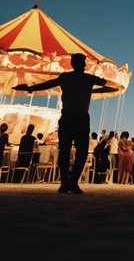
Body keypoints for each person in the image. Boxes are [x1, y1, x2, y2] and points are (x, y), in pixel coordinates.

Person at [13, 52, 117, 194]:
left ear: (73, 64)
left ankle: (65, 183)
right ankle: (73, 182)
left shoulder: (65, 78)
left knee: (64, 150)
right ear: (84, 65)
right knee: (81, 152)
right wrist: (101, 88)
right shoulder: (89, 78)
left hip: (67, 115)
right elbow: (104, 82)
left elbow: (48, 83)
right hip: (81, 116)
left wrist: (30, 88)